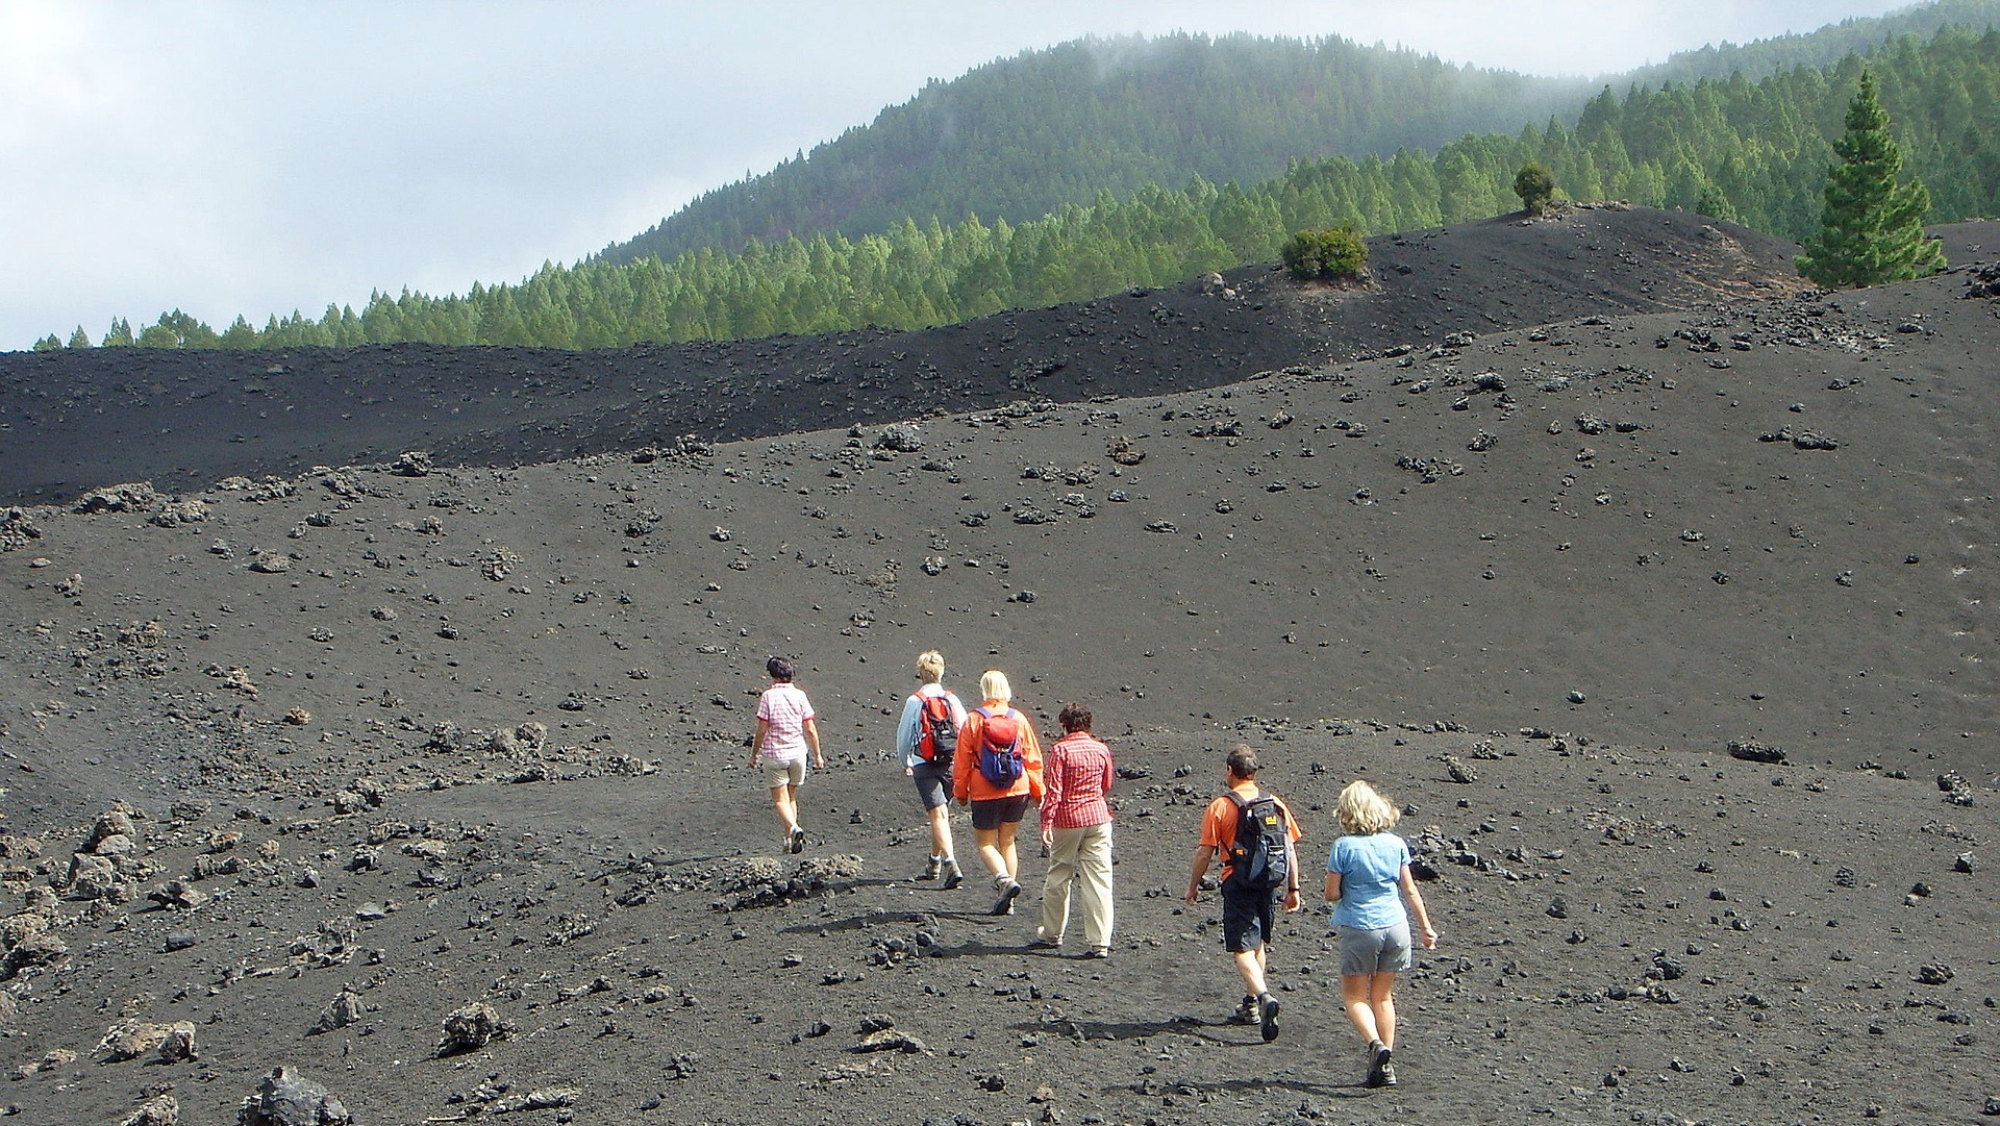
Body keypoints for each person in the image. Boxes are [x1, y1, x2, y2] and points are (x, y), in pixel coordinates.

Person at [1325, 779, 1437, 1089]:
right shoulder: (1396, 843)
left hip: (1361, 928)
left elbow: (1331, 893)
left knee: (1354, 997)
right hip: (1397, 927)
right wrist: (1426, 928)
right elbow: (1410, 890)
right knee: (1383, 996)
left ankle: (1376, 1045)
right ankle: (1385, 1068)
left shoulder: (1343, 847)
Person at [1185, 744, 1301, 1043]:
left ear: (1229, 771)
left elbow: (1205, 852)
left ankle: (1263, 996)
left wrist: (1193, 886)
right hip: (1269, 881)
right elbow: (1288, 848)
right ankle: (1250, 1005)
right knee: (1259, 941)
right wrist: (1293, 888)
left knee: (1242, 948)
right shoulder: (1274, 803)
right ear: (1254, 772)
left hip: (1237, 880)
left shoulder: (1220, 806)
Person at [951, 669, 1044, 915]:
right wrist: (1038, 791)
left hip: (985, 790)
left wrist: (960, 792)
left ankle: (1004, 880)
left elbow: (962, 762)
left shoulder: (973, 720)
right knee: (1008, 841)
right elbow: (1033, 758)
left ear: (984, 689)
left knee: (985, 844)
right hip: (1018, 788)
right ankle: (1009, 901)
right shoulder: (1019, 719)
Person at [1036, 702, 1114, 957]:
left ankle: (1053, 934)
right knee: (1099, 880)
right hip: (1098, 817)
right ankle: (1100, 941)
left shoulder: (1061, 750)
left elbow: (1054, 790)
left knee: (1059, 875)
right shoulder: (1101, 749)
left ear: (1065, 725)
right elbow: (1107, 784)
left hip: (1068, 819)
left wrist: (1046, 821)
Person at [895, 649, 966, 889]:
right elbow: (964, 730)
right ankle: (934, 862)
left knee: (938, 815)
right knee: (942, 814)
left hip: (924, 762)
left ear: (920, 673)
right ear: (941, 672)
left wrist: (904, 760)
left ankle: (950, 863)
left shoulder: (915, 701)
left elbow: (904, 736)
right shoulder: (951, 699)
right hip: (950, 762)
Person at [748, 655, 824, 854]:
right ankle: (788, 840)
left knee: (780, 800)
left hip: (775, 755)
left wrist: (754, 754)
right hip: (798, 753)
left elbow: (762, 729)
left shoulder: (768, 697)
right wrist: (817, 755)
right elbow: (810, 727)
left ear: (773, 675)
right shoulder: (800, 696)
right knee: (791, 798)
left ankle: (793, 828)